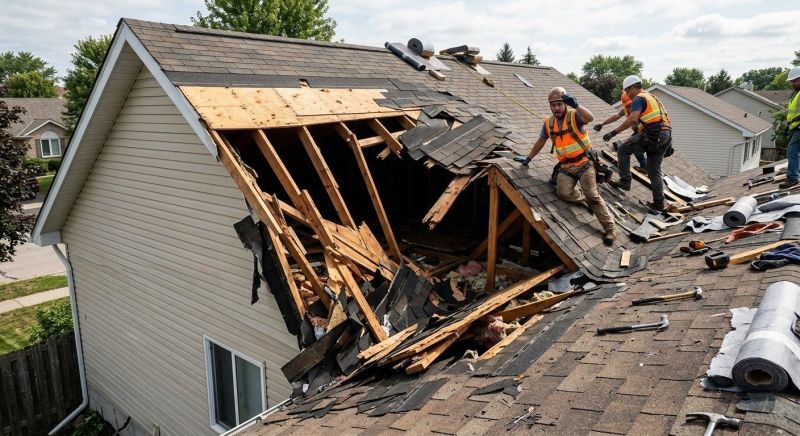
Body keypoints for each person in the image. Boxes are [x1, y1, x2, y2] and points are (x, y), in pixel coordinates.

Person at [514, 87, 617, 245]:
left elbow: (590, 117)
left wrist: (577, 105)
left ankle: (610, 230)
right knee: (563, 194)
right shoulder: (548, 123)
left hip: (584, 163)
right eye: (553, 105)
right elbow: (541, 141)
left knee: (593, 196)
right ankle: (585, 198)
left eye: (559, 104)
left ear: (565, 104)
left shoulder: (575, 115)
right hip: (566, 166)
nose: (556, 108)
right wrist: (528, 158)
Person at [603, 75, 672, 212]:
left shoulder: (638, 98)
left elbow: (632, 119)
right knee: (653, 171)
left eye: (627, 90)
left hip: (653, 133)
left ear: (633, 87)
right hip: (666, 134)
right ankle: (659, 204)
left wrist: (613, 133)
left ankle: (625, 181)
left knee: (623, 150)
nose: (627, 94)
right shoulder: (651, 96)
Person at [593, 91, 648, 173]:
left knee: (632, 146)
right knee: (633, 146)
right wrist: (602, 124)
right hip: (640, 131)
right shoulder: (626, 109)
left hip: (648, 131)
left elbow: (629, 123)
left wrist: (613, 133)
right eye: (627, 105)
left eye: (630, 105)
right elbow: (616, 116)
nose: (629, 107)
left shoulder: (640, 107)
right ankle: (644, 166)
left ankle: (643, 167)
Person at [779, 66, 800, 189]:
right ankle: (796, 173)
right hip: (795, 126)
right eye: (791, 81)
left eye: (795, 80)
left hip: (799, 127)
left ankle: (793, 178)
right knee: (796, 152)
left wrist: (795, 120)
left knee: (793, 151)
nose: (792, 83)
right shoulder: (796, 93)